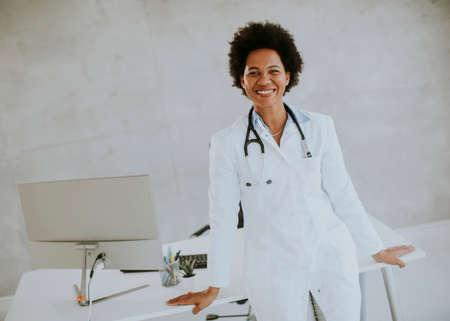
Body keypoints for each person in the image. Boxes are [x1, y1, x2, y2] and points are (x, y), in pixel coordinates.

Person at [166, 21, 415, 321]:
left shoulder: (320, 127)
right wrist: (214, 286)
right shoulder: (227, 144)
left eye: (273, 71)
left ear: (288, 75)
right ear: (241, 80)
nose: (264, 81)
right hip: (272, 269)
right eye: (253, 72)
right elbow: (223, 218)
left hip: (330, 256)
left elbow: (343, 195)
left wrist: (376, 250)